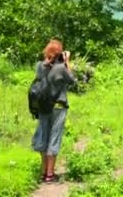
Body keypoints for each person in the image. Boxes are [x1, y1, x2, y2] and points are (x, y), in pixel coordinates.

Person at [32, 39, 76, 183]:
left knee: (43, 136)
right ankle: (50, 174)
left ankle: (44, 171)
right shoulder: (61, 68)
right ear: (59, 53)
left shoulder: (39, 66)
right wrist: (67, 61)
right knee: (54, 137)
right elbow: (72, 80)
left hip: (43, 106)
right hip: (58, 106)